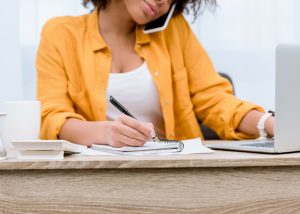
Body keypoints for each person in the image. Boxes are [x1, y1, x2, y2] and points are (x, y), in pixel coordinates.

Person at [37, 0, 275, 148]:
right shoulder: (60, 34)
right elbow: (53, 120)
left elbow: (216, 100)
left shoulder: (175, 31)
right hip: (96, 176)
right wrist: (108, 133)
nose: (163, 1)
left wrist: (269, 123)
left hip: (173, 172)